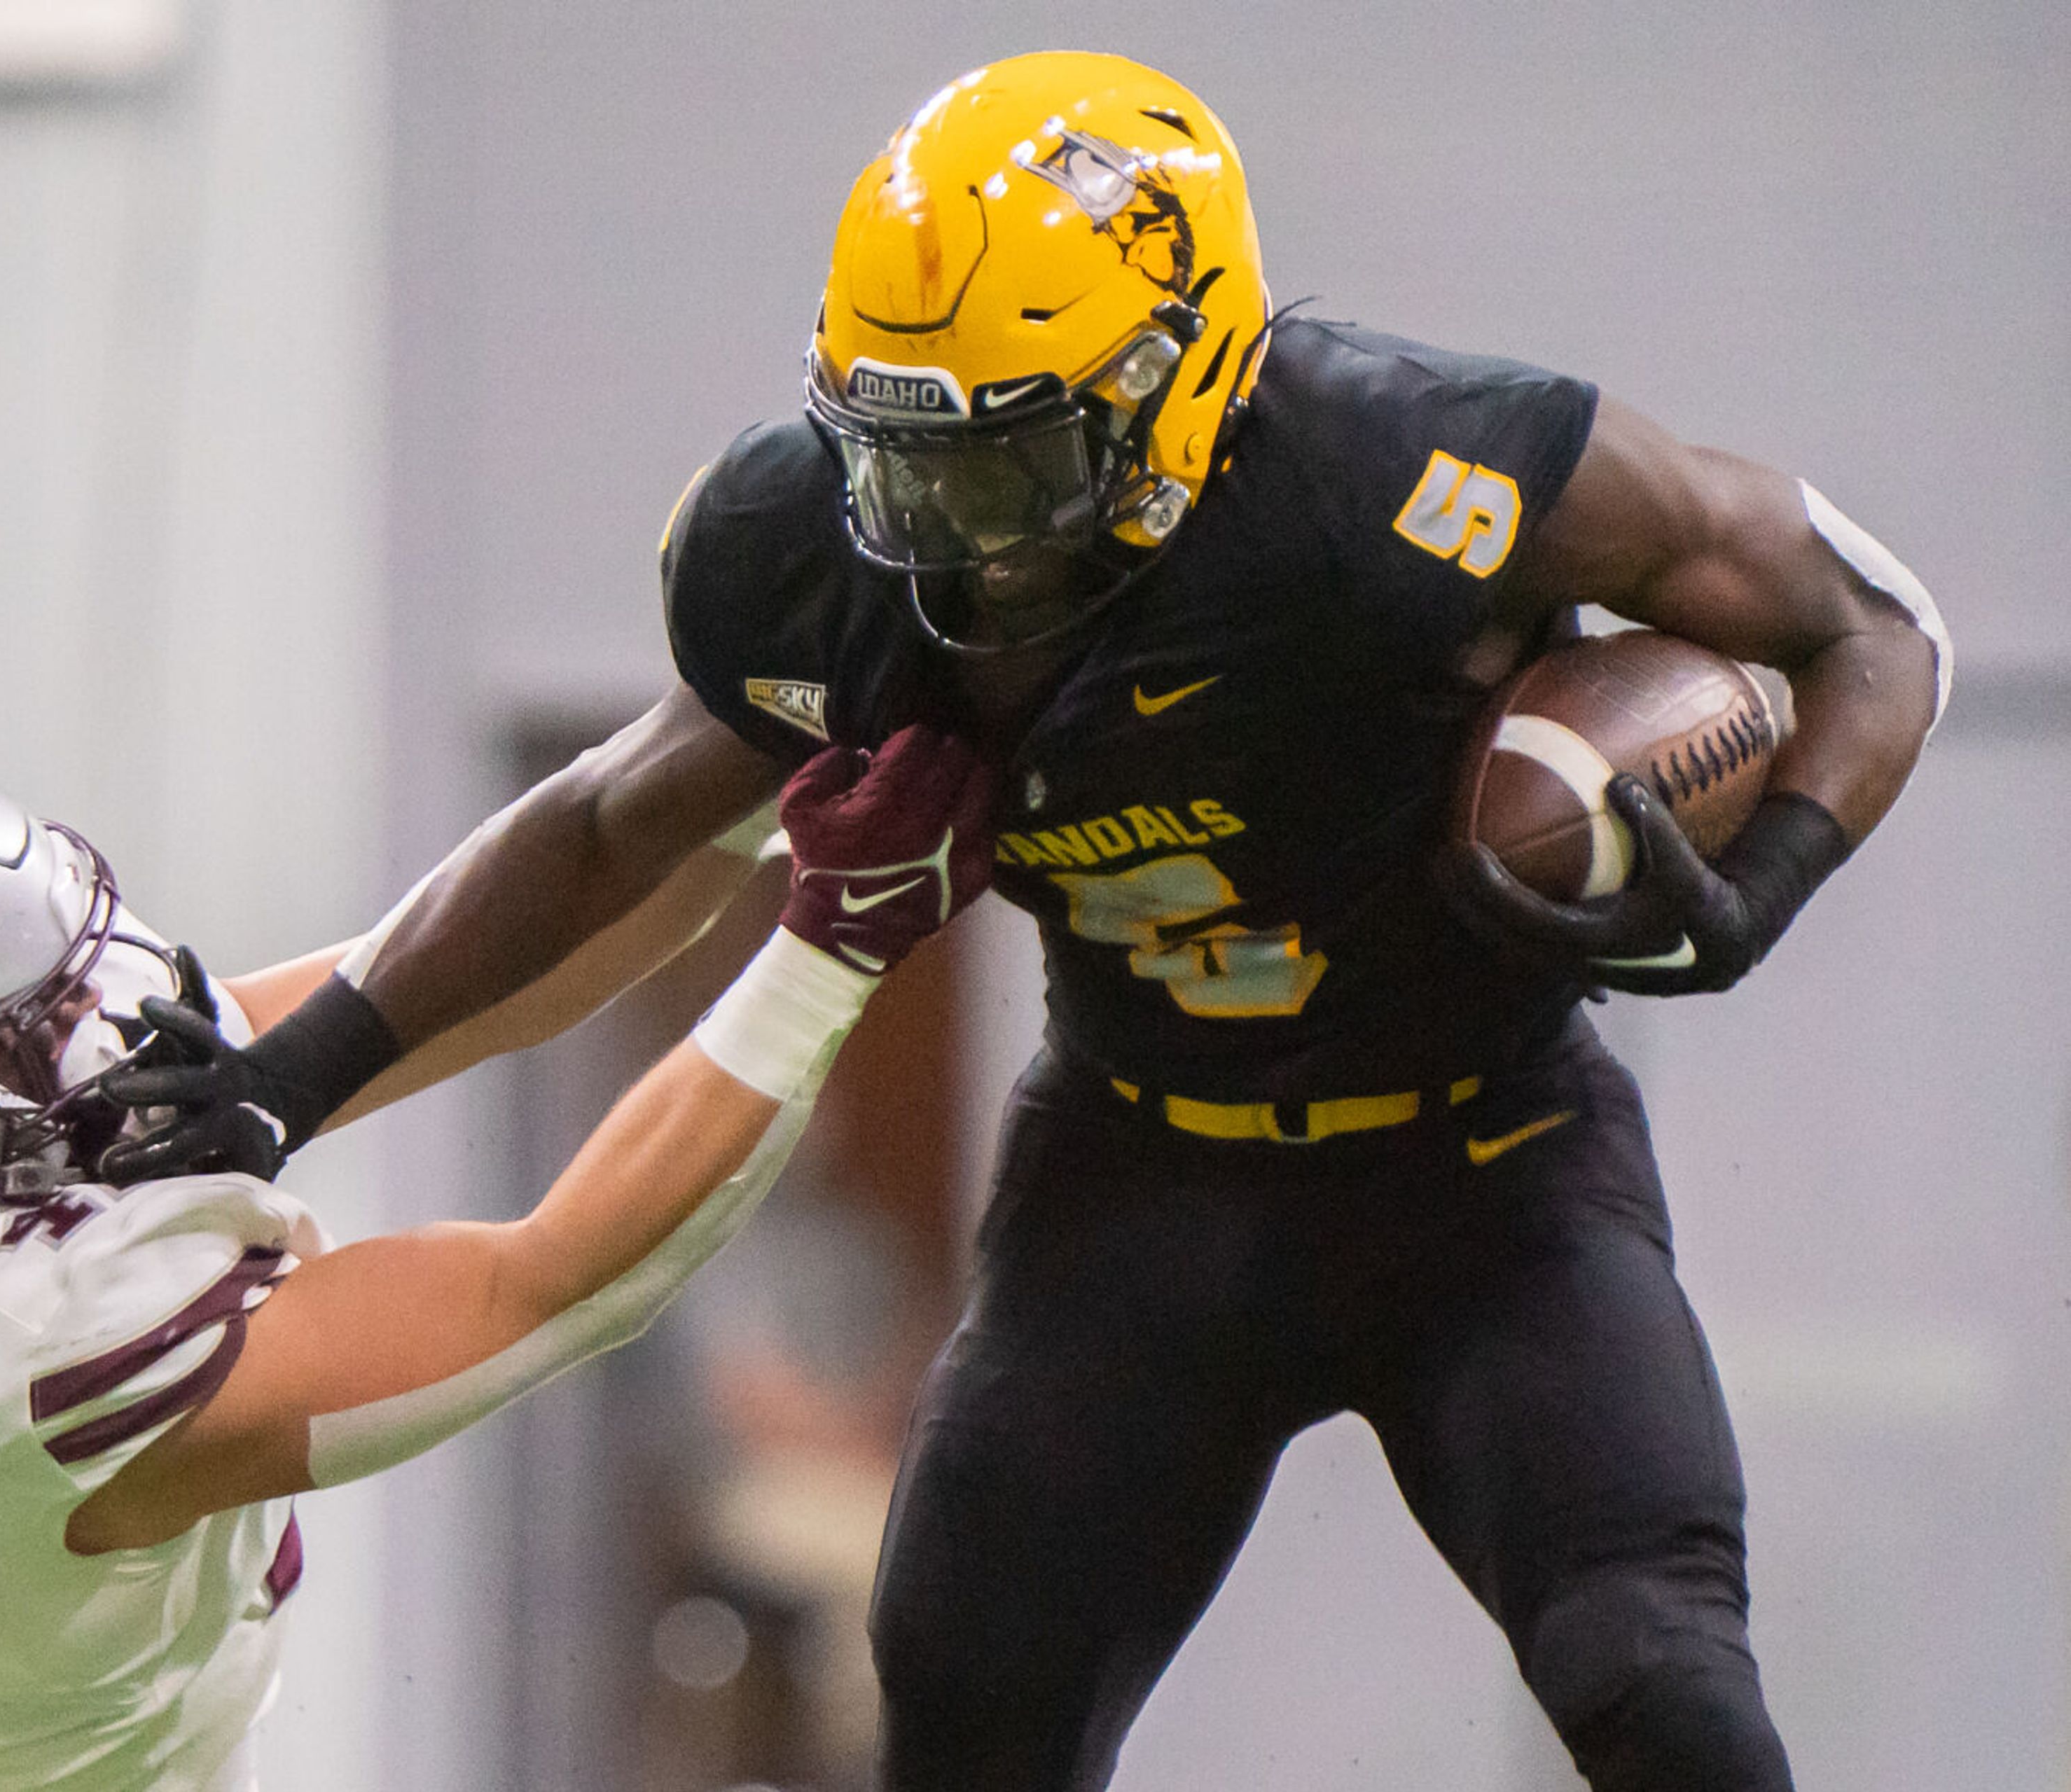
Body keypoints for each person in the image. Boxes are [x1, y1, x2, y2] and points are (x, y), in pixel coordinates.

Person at [101, 50, 1953, 1792]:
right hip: (1146, 1178)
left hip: (1486, 1177)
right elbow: (601, 835)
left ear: (1188, 377)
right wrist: (296, 1070)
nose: (942, 527)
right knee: (965, 1725)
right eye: (899, 456)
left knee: (1668, 1691)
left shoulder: (1404, 474)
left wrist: (1768, 875)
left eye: (1004, 461)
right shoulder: (830, 551)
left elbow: (1871, 623)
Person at [0, 732, 994, 1791]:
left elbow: (440, 997)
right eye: (28, 1015)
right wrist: (837, 942)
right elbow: (557, 1277)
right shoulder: (16, 1346)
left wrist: (758, 786)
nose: (102, 1001)